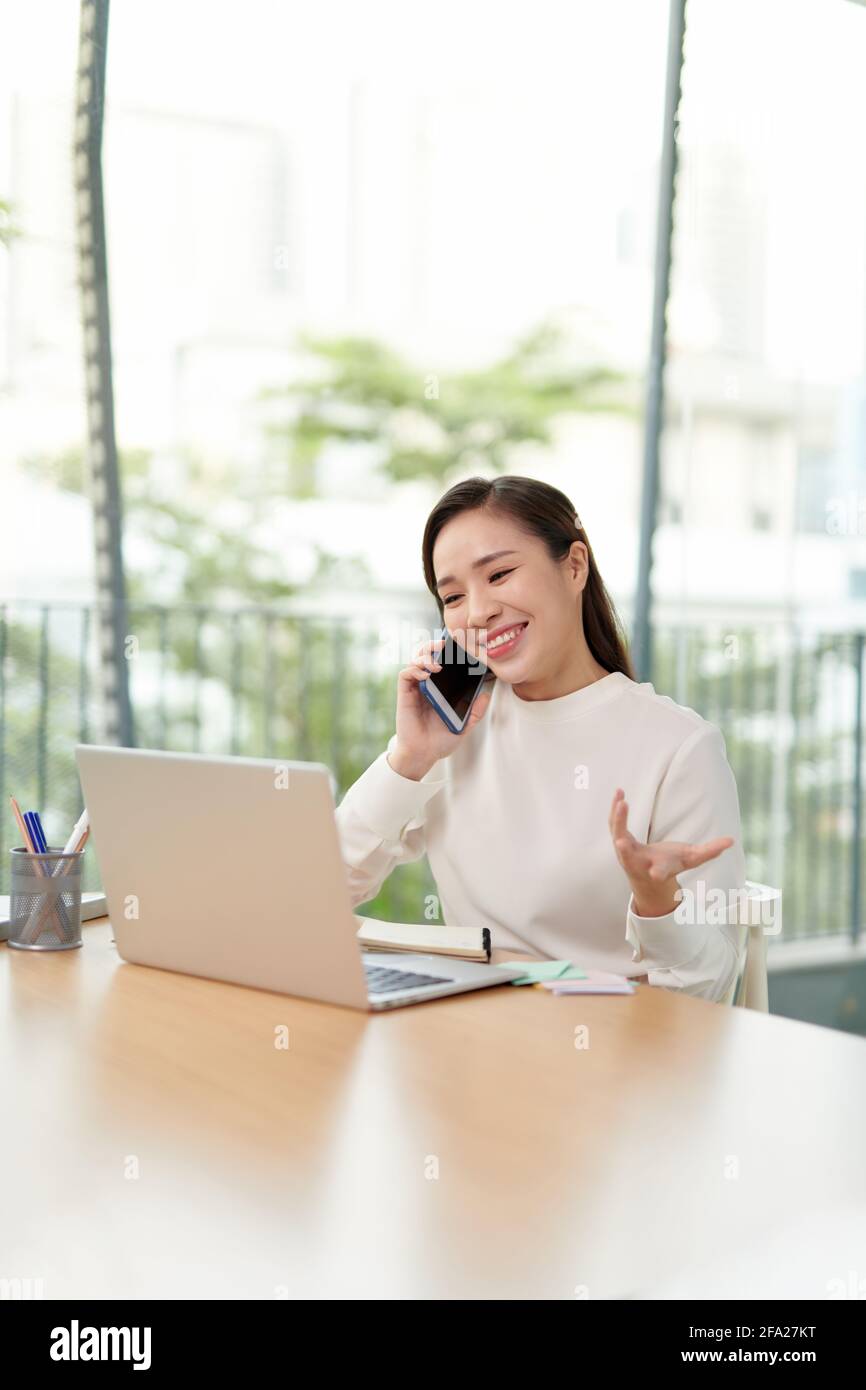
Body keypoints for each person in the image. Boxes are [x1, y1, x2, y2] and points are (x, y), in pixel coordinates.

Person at [335, 475, 747, 1002]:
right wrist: (409, 758)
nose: (479, 612)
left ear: (574, 566)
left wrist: (656, 901)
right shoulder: (455, 732)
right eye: (454, 596)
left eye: (500, 574)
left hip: (605, 1051)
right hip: (466, 1036)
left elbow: (707, 996)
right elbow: (323, 891)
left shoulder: (681, 747)